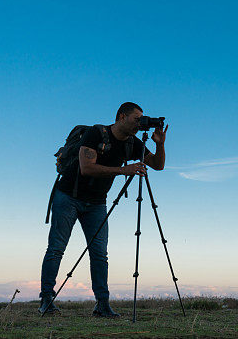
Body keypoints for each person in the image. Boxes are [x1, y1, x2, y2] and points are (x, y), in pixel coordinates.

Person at [39, 102, 167, 317]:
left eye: (141, 120)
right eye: (136, 119)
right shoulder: (96, 133)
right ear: (121, 116)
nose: (140, 124)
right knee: (56, 249)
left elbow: (158, 165)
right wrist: (123, 170)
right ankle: (46, 299)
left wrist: (160, 144)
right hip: (68, 196)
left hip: (97, 202)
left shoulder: (132, 144)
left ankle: (102, 304)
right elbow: (86, 167)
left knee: (99, 254)